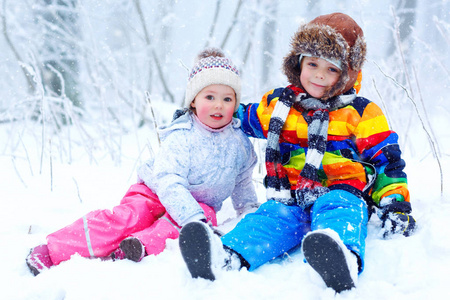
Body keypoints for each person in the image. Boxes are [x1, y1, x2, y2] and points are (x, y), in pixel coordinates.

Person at [179, 13, 416, 293]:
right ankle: (224, 256)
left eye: (332, 69)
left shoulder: (361, 112)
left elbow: (387, 161)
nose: (318, 74)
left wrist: (394, 202)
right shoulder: (280, 104)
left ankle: (341, 258)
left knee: (339, 211)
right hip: (290, 196)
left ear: (348, 74)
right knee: (270, 218)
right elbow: (244, 117)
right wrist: (207, 114)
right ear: (298, 62)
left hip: (341, 190)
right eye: (313, 63)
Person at [26, 48, 259, 276]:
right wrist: (190, 214)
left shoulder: (239, 143)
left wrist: (248, 210)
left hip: (199, 205)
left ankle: (137, 246)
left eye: (227, 99)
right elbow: (169, 181)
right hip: (154, 192)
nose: (219, 105)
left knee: (197, 226)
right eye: (210, 97)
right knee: (128, 218)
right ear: (193, 102)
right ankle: (55, 249)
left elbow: (243, 180)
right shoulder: (183, 136)